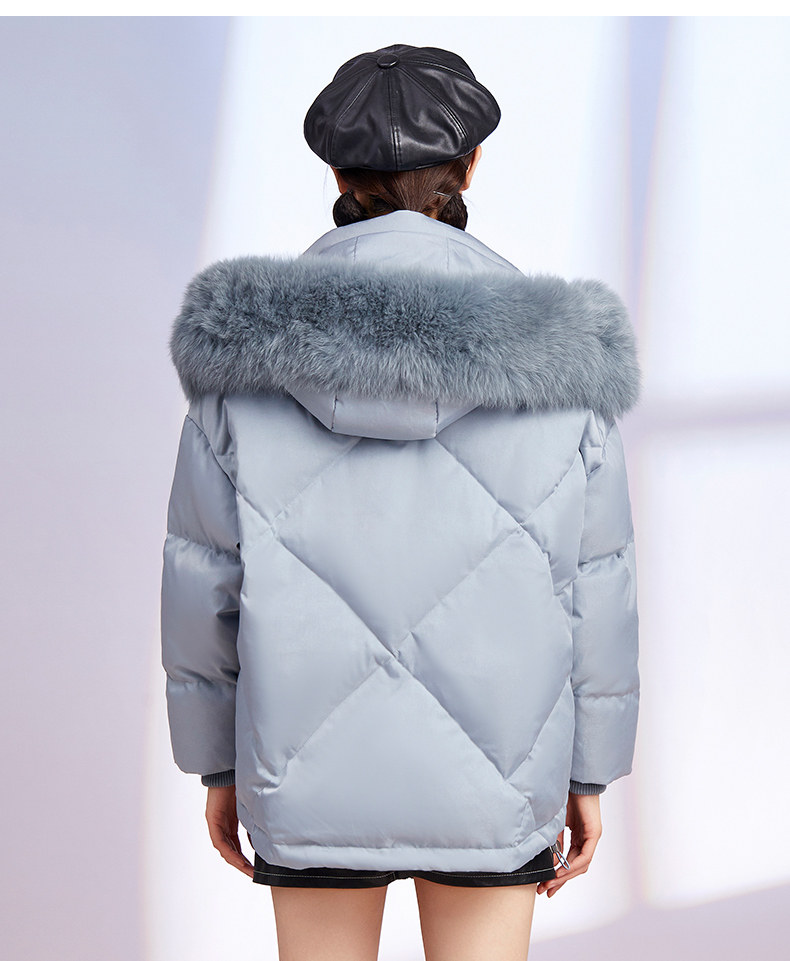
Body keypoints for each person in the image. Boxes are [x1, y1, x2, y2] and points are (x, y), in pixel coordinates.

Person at [160, 42, 641, 961]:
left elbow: (201, 585)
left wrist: (217, 762)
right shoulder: (565, 361)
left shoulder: (241, 363)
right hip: (500, 781)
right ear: (472, 167)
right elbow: (599, 584)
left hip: (306, 777)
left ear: (340, 177)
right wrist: (590, 771)